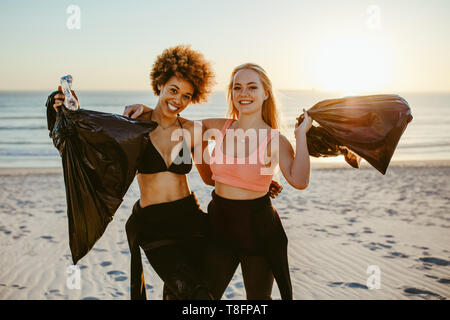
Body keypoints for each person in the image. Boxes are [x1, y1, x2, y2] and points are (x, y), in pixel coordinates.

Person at [126, 62, 312, 300]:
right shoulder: (217, 128)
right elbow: (174, 123)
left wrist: (301, 136)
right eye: (237, 87)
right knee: (201, 298)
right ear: (231, 93)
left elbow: (299, 180)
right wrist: (148, 111)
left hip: (258, 229)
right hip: (218, 228)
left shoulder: (276, 140)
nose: (243, 93)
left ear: (266, 93)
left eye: (252, 87)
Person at [53, 45, 216, 300]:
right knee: (195, 294)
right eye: (174, 90)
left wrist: (259, 183)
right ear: (160, 83)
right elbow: (94, 139)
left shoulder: (193, 130)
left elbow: (211, 177)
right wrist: (70, 111)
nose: (178, 100)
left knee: (176, 295)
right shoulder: (135, 126)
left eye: (186, 95)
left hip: (191, 221)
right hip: (154, 226)